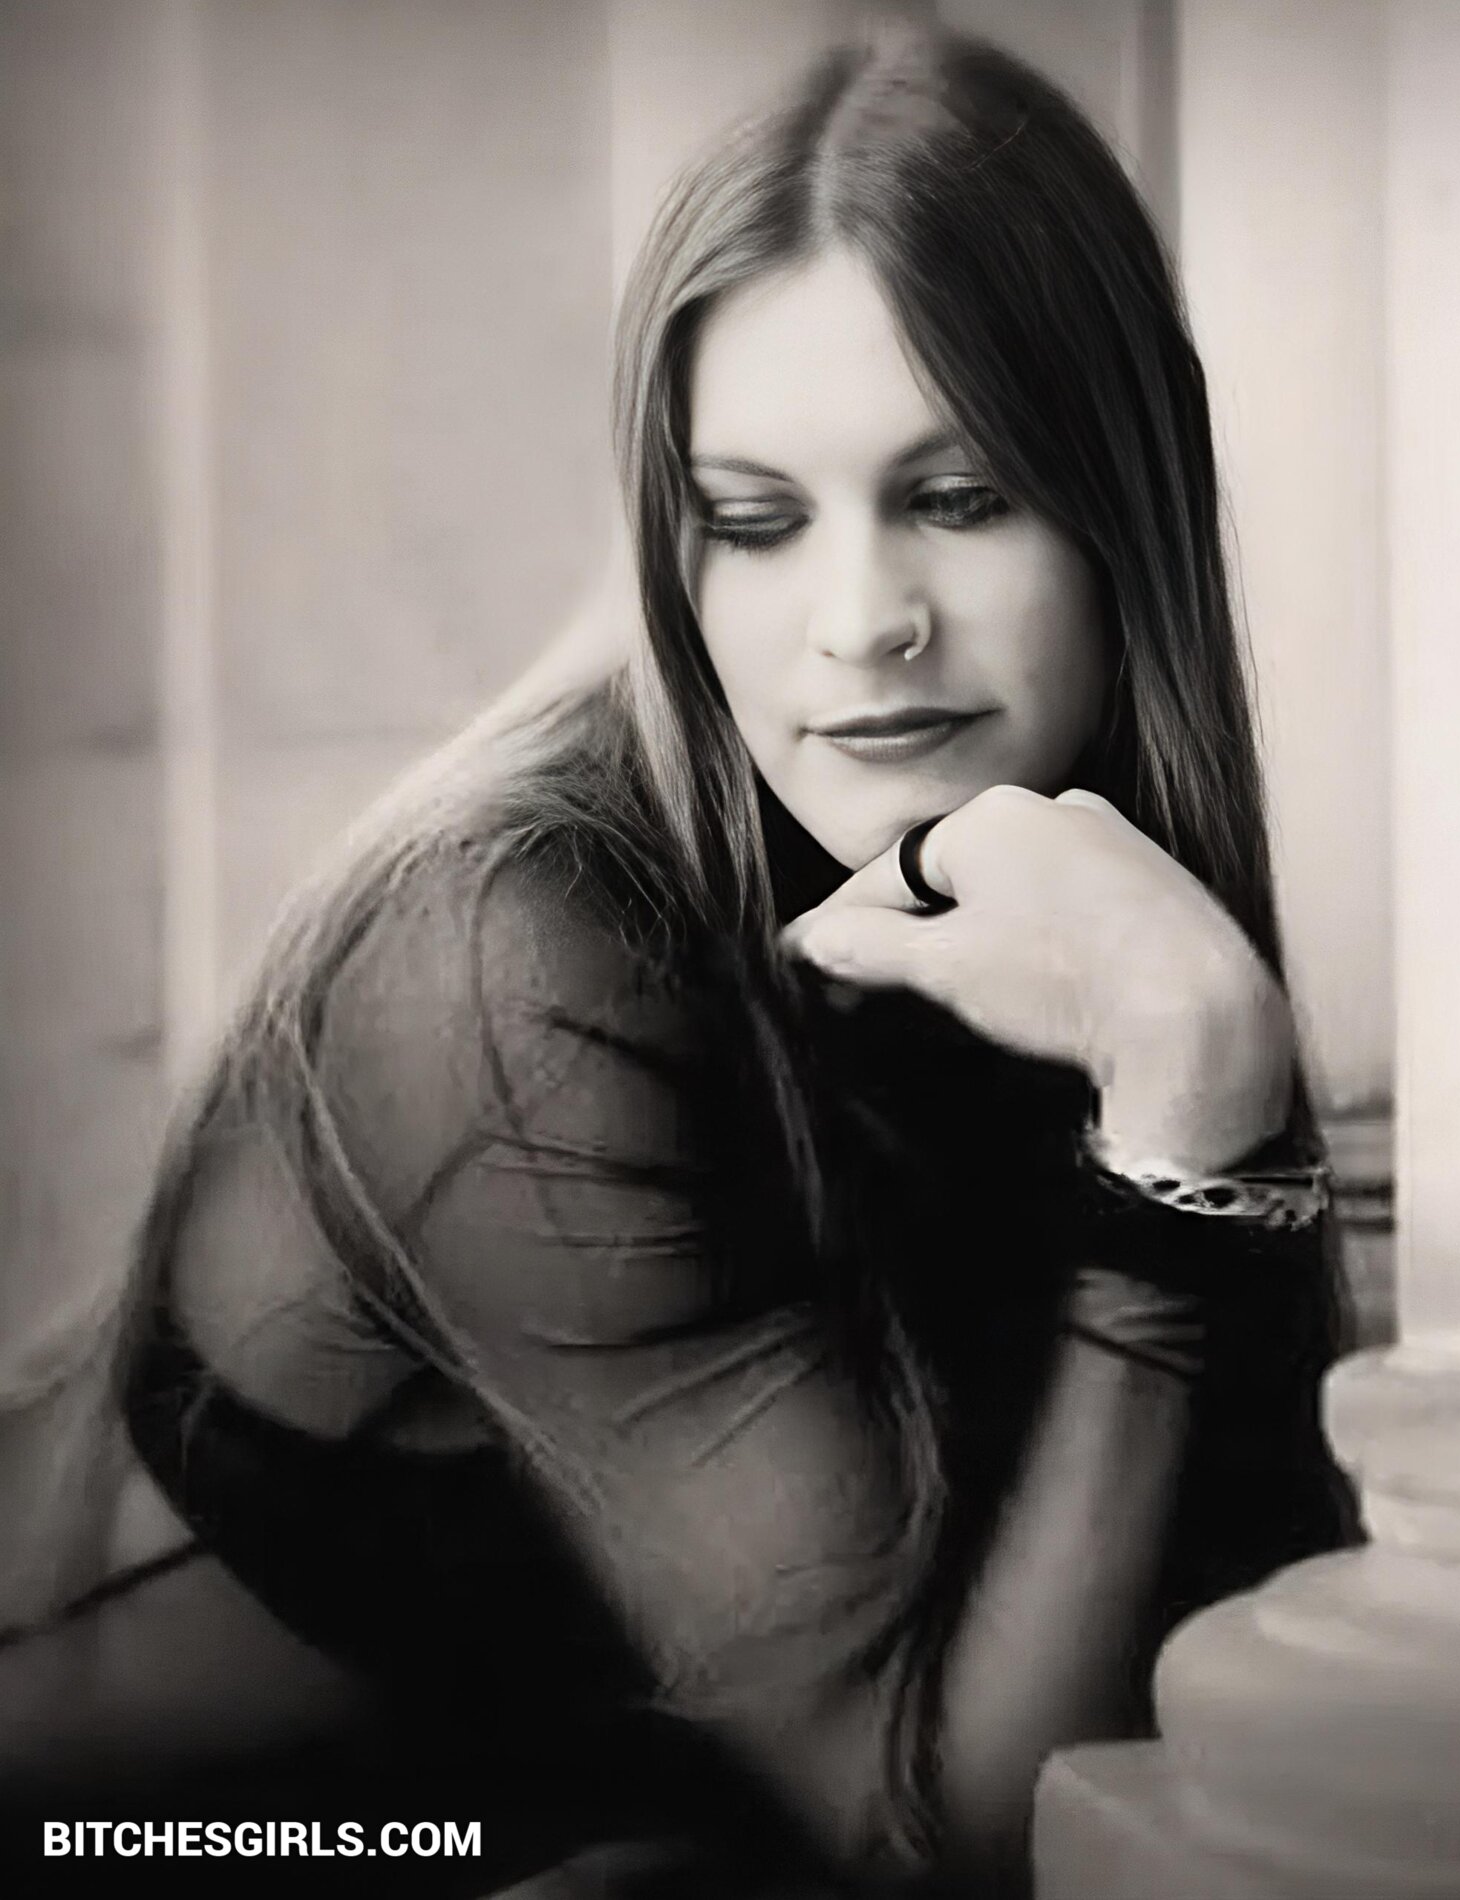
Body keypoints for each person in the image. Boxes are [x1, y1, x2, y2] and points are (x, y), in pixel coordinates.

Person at [0, 24, 1361, 1898]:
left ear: (1121, 506)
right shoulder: (518, 957)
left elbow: (1231, 1628)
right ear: (676, 548)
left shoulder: (1058, 909)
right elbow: (952, 1846)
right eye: (756, 522)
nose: (860, 624)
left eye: (960, 498)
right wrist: (1196, 1111)